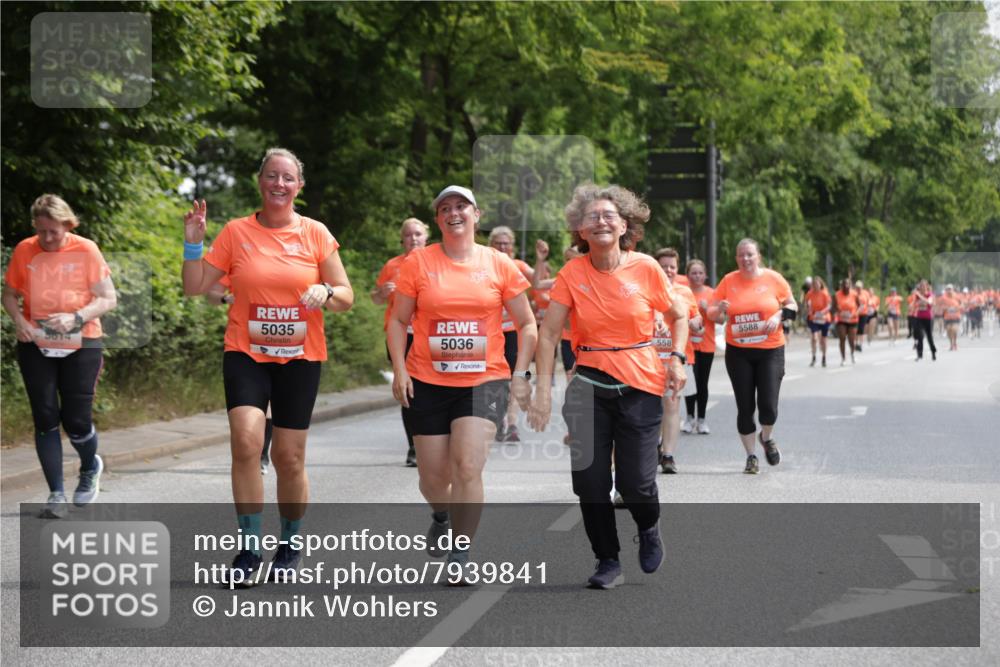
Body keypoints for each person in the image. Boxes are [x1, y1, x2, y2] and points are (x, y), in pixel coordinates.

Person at [181, 148, 354, 585]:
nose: (279, 184)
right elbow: (194, 286)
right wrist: (193, 241)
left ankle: (291, 541)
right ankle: (249, 548)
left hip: (300, 358)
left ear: (299, 186)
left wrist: (326, 291)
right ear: (260, 181)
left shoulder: (315, 233)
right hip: (246, 352)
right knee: (245, 441)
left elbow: (346, 296)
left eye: (288, 178)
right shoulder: (237, 232)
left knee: (289, 458)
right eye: (272, 176)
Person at [529, 184, 686, 589]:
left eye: (609, 215)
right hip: (588, 383)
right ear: (580, 230)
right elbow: (548, 336)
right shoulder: (571, 273)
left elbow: (678, 315)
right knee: (590, 481)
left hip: (640, 383)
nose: (601, 221)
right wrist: (542, 392)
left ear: (624, 225)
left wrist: (678, 358)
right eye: (592, 216)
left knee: (635, 482)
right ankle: (607, 560)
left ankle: (648, 526)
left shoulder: (646, 268)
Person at [388, 185, 536, 583]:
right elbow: (399, 320)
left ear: (477, 215)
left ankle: (461, 551)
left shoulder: (499, 264)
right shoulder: (419, 262)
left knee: (468, 466)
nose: (454, 213)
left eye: (462, 207)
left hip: (484, 378)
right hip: (428, 379)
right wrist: (400, 370)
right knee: (433, 478)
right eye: (445, 208)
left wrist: (520, 375)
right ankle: (441, 515)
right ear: (438, 219)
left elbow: (526, 324)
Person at [3, 194, 117, 518]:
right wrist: (21, 322)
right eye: (42, 232)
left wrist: (76, 316)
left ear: (68, 224)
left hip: (82, 342)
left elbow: (108, 298)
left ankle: (89, 465)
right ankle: (56, 494)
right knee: (45, 417)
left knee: (77, 421)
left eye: (54, 231)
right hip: (36, 344)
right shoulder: (25, 250)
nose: (48, 239)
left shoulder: (86, 249)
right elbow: (9, 295)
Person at [707, 238, 795, 475]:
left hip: (770, 350)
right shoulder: (729, 281)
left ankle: (766, 437)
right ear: (736, 258)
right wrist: (720, 310)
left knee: (768, 406)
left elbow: (793, 305)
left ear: (758, 256)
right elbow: (712, 313)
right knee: (745, 407)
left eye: (750, 255)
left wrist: (778, 316)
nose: (745, 259)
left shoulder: (773, 279)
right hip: (738, 352)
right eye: (741, 255)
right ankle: (751, 456)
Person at [372, 217, 430, 467]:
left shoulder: (437, 262)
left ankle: (432, 443)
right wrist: (381, 293)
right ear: (402, 239)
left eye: (417, 234)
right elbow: (375, 298)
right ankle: (414, 447)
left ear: (426, 237)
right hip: (401, 336)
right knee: (408, 391)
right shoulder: (393, 265)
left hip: (429, 336)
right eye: (408, 235)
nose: (413, 239)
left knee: (430, 391)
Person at [207, 279, 275, 475]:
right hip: (246, 342)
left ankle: (263, 454)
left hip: (284, 342)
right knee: (256, 404)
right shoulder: (238, 262)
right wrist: (224, 298)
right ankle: (257, 454)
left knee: (270, 404)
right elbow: (211, 294)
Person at [487, 225, 536, 444]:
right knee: (495, 381)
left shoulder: (517, 266)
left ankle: (513, 424)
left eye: (507, 243)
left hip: (514, 331)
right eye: (499, 243)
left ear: (513, 247)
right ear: (492, 245)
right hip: (491, 332)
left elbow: (538, 280)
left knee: (515, 376)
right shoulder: (483, 265)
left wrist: (542, 260)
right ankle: (498, 419)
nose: (503, 247)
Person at [651, 248, 693, 475]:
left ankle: (668, 455)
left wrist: (696, 323)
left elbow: (694, 319)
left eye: (672, 266)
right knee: (650, 408)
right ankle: (655, 444)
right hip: (647, 360)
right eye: (663, 266)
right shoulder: (645, 289)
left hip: (673, 359)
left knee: (672, 403)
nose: (668, 270)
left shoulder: (685, 292)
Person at [683, 258, 716, 434]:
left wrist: (708, 308)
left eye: (700, 273)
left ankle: (702, 419)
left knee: (702, 383)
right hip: (687, 346)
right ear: (687, 275)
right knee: (690, 383)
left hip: (707, 345)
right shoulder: (683, 292)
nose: (697, 276)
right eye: (693, 273)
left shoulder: (712, 293)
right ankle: (689, 418)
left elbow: (721, 318)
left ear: (705, 275)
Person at [804, 276, 832, 367]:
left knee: (823, 340)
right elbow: (806, 304)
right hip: (814, 318)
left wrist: (822, 312)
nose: (815, 286)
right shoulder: (810, 293)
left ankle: (824, 357)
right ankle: (814, 356)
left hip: (824, 318)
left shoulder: (824, 293)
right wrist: (808, 309)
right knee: (814, 337)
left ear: (820, 285)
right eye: (814, 285)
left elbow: (829, 306)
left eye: (817, 284)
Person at [833, 278, 860, 366]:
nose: (846, 286)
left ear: (850, 286)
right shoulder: (837, 295)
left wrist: (855, 313)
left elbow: (859, 306)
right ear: (842, 286)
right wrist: (839, 311)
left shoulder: (854, 294)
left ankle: (852, 354)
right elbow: (833, 307)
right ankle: (843, 358)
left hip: (852, 319)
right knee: (842, 338)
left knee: (851, 339)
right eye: (844, 285)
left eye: (848, 285)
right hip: (842, 319)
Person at [911, 279, 937, 361]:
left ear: (926, 286)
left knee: (929, 336)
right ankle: (919, 354)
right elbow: (914, 304)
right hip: (919, 316)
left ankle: (933, 352)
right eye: (921, 286)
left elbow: (929, 302)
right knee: (919, 336)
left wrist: (920, 296)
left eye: (923, 286)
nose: (922, 287)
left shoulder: (930, 294)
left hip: (928, 317)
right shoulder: (917, 296)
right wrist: (912, 305)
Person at [939, 284, 962, 351]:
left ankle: (955, 342)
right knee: (949, 330)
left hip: (956, 316)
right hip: (947, 317)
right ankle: (951, 344)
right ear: (946, 290)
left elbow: (962, 303)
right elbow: (940, 306)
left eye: (950, 289)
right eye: (948, 289)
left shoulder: (957, 296)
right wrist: (945, 308)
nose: (949, 291)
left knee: (954, 329)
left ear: (952, 289)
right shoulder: (943, 297)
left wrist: (958, 307)